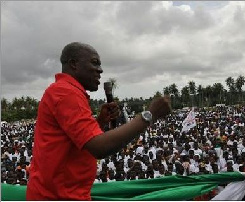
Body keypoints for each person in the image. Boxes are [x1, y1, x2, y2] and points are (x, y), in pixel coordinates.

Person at [26, 42, 171, 200]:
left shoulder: (66, 91)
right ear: (74, 64)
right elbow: (98, 148)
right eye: (95, 63)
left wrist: (100, 122)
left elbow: (74, 141)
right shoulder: (65, 93)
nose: (100, 70)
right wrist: (148, 116)